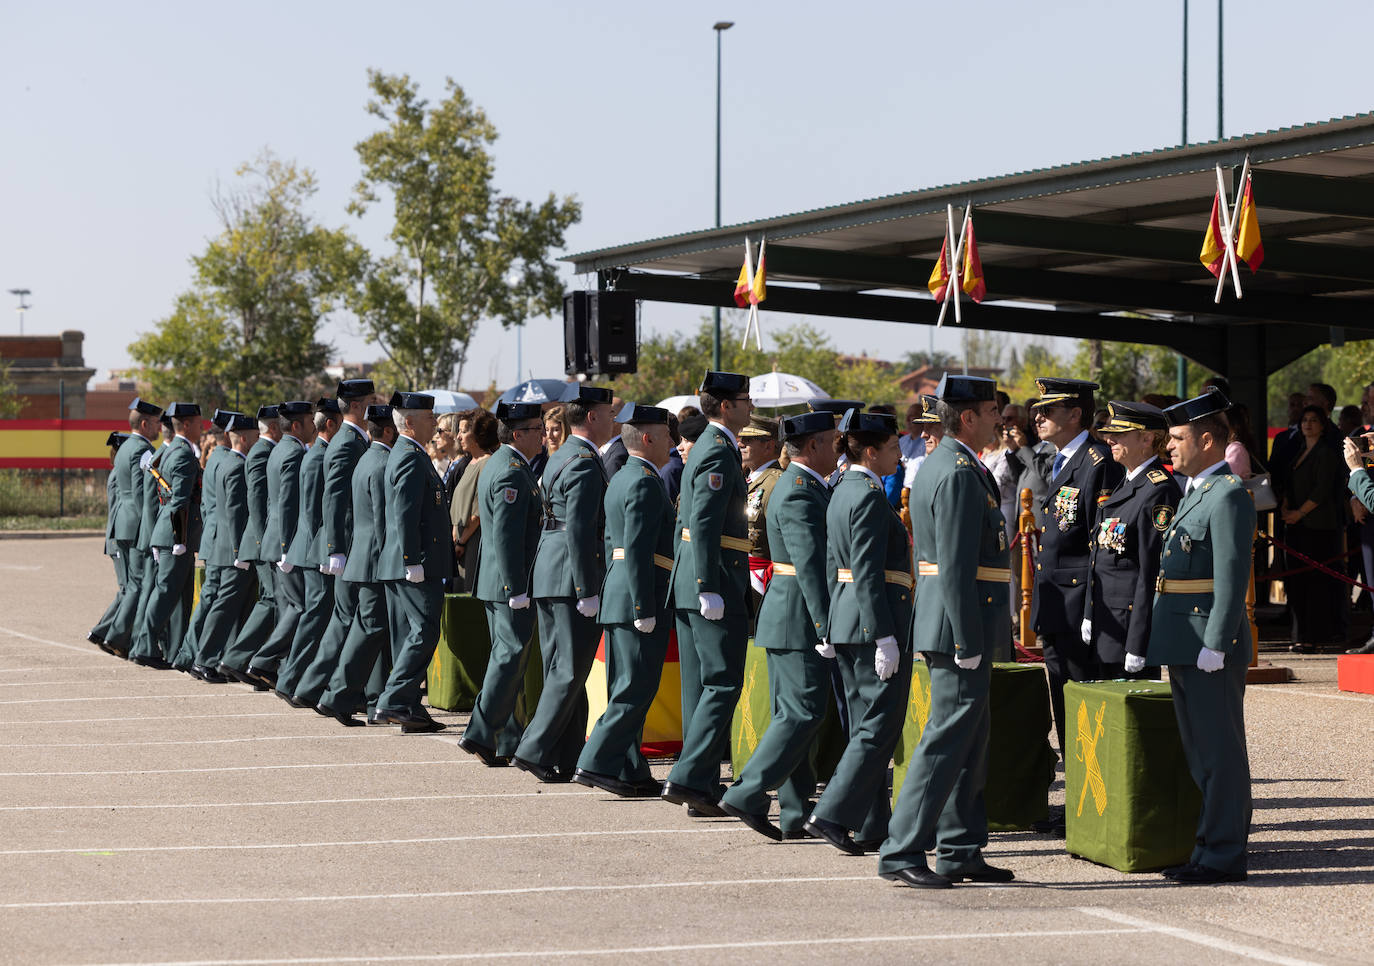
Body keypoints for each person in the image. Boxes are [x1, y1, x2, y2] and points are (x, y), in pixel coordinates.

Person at [881, 373, 1013, 889]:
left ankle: (959, 847)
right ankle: (902, 849)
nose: (1000, 419)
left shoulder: (951, 464)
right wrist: (967, 640)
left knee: (969, 742)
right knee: (943, 743)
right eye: (991, 410)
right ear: (968, 417)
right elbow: (955, 565)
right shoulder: (957, 471)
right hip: (960, 623)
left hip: (959, 618)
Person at [1147, 389, 1255, 885]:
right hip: (1186, 638)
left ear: (1207, 440)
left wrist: (1217, 641)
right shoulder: (1197, 491)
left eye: (1177, 438)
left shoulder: (1228, 493)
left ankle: (1224, 854)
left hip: (1209, 642)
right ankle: (1207, 846)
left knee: (1219, 752)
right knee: (1200, 753)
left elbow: (1231, 577)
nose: (1168, 447)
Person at [719, 409, 838, 840]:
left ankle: (792, 812)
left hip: (791, 614)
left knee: (797, 715)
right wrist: (826, 625)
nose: (839, 447)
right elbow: (809, 565)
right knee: (803, 713)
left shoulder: (802, 484)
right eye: (832, 440)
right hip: (797, 617)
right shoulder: (799, 489)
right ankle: (748, 791)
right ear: (812, 446)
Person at [803, 406, 912, 855]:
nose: (899, 456)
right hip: (871, 625)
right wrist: (883, 634)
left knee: (863, 727)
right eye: (891, 448)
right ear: (870, 450)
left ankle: (871, 824)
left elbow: (833, 564)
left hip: (849, 622)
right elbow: (865, 570)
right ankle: (831, 813)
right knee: (878, 726)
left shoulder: (843, 488)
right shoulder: (866, 493)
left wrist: (829, 624)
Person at [661, 370, 753, 816]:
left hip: (695, 579)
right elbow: (703, 521)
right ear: (726, 406)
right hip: (712, 578)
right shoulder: (717, 450)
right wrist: (707, 586)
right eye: (745, 399)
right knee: (721, 682)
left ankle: (697, 782)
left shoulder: (713, 447)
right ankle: (688, 778)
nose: (750, 405)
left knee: (700, 687)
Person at [574, 403, 678, 797]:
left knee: (627, 686)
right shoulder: (643, 481)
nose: (673, 441)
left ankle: (630, 768)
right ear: (648, 438)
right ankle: (596, 761)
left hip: (621, 592)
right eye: (667, 435)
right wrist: (643, 607)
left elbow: (610, 543)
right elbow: (634, 548)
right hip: (638, 594)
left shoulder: (623, 476)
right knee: (635, 688)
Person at [516, 383, 616, 781]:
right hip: (568, 575)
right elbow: (578, 528)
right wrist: (587, 589)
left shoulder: (563, 456)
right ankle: (534, 748)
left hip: (550, 572)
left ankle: (566, 753)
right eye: (608, 413)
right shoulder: (584, 461)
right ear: (592, 416)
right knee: (570, 670)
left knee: (562, 668)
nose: (613, 420)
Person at [1030, 377, 1123, 765]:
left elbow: (1101, 543)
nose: (1038, 417)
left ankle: (1087, 801)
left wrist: (1090, 609)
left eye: (1048, 410)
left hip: (1078, 604)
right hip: (1056, 602)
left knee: (1083, 703)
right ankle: (1077, 800)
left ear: (1075, 414)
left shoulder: (1097, 461)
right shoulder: (1058, 459)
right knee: (1064, 700)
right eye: (1038, 410)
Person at [458, 401, 546, 765]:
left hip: (500, 581)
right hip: (508, 583)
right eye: (537, 429)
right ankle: (480, 733)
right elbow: (507, 538)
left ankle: (507, 737)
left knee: (509, 659)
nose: (543, 435)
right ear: (519, 434)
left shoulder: (504, 464)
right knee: (509, 659)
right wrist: (516, 589)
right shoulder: (510, 470)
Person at [372, 392, 454, 733]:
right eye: (427, 416)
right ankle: (393, 700)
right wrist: (411, 558)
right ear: (409, 423)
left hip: (413, 560)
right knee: (424, 631)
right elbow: (404, 511)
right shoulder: (408, 455)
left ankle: (408, 707)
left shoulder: (411, 453)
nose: (434, 421)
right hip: (415, 561)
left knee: (411, 634)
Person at [294, 379, 376, 713]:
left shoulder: (351, 439)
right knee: (346, 619)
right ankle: (319, 689)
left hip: (350, 544)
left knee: (344, 619)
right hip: (348, 545)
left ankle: (313, 687)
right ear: (357, 406)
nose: (375, 406)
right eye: (371, 400)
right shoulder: (346, 442)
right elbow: (335, 499)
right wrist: (336, 548)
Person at [1082, 402, 1181, 679]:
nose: (1109, 439)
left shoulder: (1158, 490)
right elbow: (1100, 557)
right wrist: (1091, 610)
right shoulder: (1126, 483)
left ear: (1147, 438)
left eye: (1120, 434)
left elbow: (1150, 572)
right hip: (1108, 623)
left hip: (1127, 630)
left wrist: (1139, 641)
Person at [318, 404, 399, 724]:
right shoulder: (380, 463)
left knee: (372, 629)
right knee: (369, 628)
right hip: (374, 559)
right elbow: (381, 521)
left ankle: (370, 699)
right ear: (389, 431)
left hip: (364, 557)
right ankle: (337, 696)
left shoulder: (368, 458)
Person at [275, 398, 342, 701]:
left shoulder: (316, 453)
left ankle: (295, 680)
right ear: (331, 423)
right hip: (315, 549)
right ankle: (291, 681)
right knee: (315, 615)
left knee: (317, 615)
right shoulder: (317, 457)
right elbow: (311, 511)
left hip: (314, 549)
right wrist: (325, 548)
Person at [245, 400, 315, 689]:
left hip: (276, 540)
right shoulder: (294, 452)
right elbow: (287, 503)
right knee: (298, 607)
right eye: (310, 420)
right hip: (285, 542)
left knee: (289, 608)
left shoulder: (279, 450)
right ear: (296, 425)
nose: (314, 424)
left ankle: (282, 670)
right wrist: (287, 546)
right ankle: (262, 661)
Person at [129, 402, 204, 669]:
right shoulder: (182, 453)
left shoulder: (173, 450)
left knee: (180, 597)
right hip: (175, 536)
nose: (202, 426)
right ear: (185, 425)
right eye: (198, 422)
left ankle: (176, 652)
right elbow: (179, 500)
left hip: (172, 534)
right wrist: (180, 539)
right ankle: (145, 647)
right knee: (165, 594)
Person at [90, 398, 161, 658]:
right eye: (155, 423)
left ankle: (112, 634)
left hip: (122, 523)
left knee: (132, 584)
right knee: (139, 584)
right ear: (144, 424)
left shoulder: (126, 447)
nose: (159, 428)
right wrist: (151, 530)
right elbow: (144, 494)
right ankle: (117, 637)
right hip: (135, 525)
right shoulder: (144, 450)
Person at [218, 406, 282, 687]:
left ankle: (245, 661)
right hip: (260, 539)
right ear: (275, 428)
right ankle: (239, 660)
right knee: (271, 600)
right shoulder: (261, 452)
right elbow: (256, 502)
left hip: (261, 539)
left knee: (270, 599)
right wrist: (264, 538)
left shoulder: (263, 451)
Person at [193, 412, 259, 678]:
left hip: (225, 546)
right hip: (232, 548)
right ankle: (205, 658)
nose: (258, 441)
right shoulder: (235, 466)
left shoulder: (226, 462)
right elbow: (234, 512)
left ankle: (228, 659)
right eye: (255, 437)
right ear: (243, 438)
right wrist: (237, 551)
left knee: (234, 605)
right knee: (224, 606)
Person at [1281, 404, 1347, 652]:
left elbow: (1321, 491)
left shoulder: (1326, 453)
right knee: (1297, 583)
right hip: (1297, 525)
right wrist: (1287, 508)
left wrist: (1299, 513)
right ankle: (1300, 635)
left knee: (1316, 584)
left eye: (1313, 420)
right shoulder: (1298, 451)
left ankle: (1315, 636)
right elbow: (1290, 484)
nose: (1308, 424)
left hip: (1318, 526)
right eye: (1304, 420)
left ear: (1323, 426)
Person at [173, 409, 234, 676]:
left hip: (212, 538)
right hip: (221, 541)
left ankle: (188, 654)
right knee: (213, 599)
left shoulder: (213, 459)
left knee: (208, 598)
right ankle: (197, 655)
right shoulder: (226, 460)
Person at [89, 431, 132, 650]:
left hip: (116, 537)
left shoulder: (117, 473)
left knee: (127, 588)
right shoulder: (118, 475)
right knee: (127, 589)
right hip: (117, 538)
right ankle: (102, 632)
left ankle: (104, 632)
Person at [449, 408, 499, 592]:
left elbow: (477, 512)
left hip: (472, 541)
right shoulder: (470, 462)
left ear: (479, 434)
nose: (459, 437)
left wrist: (461, 541)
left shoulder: (486, 463)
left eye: (464, 431)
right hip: (461, 539)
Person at [740, 414, 783, 606]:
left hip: (763, 580)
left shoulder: (776, 482)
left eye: (748, 440)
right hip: (743, 576)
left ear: (768, 445)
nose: (741, 444)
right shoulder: (745, 479)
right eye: (741, 439)